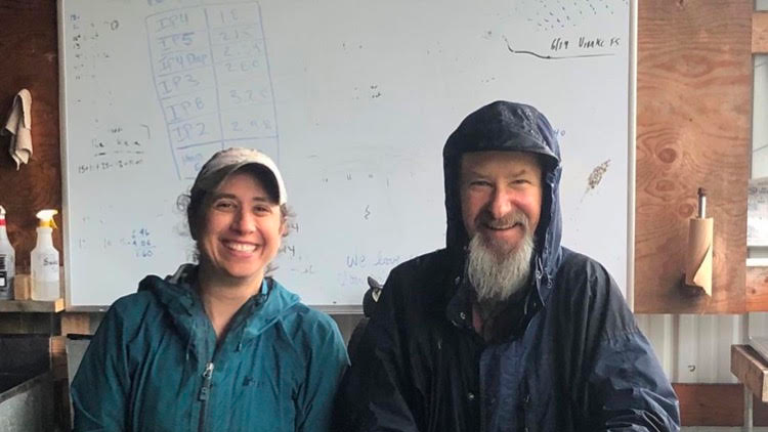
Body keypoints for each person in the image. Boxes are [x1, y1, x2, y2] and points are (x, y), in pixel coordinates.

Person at [333, 101, 681, 431]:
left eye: (519, 182)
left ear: (546, 193)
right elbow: (374, 416)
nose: (499, 207)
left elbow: (643, 412)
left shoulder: (587, 290)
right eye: (480, 183)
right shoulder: (408, 292)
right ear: (456, 194)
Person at [71, 147, 349, 432]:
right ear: (194, 218)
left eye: (261, 208)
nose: (244, 225)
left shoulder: (313, 339)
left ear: (282, 228)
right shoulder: (131, 323)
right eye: (225, 205)